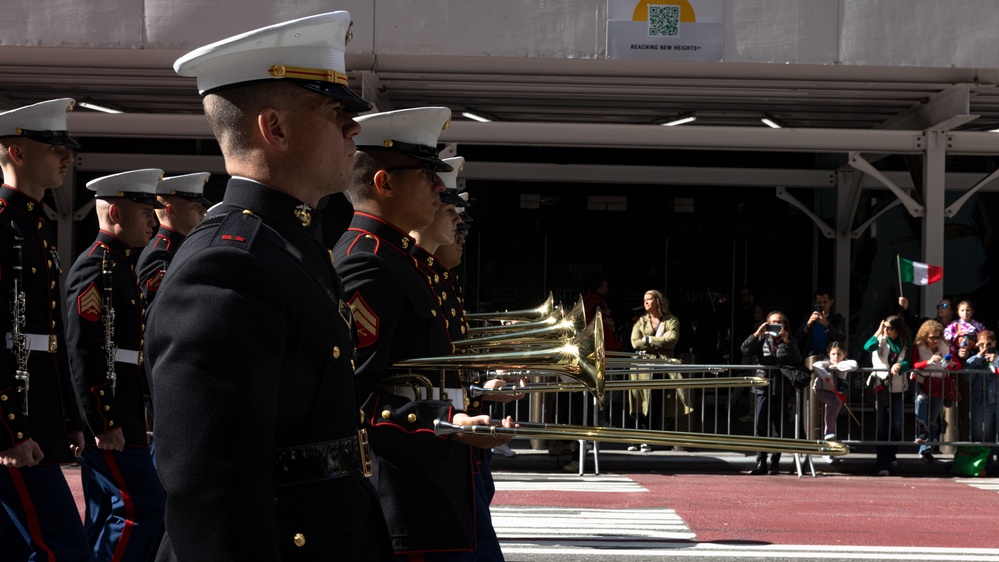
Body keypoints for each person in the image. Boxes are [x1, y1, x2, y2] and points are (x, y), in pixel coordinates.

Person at [145, 12, 394, 560]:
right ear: (274, 129)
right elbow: (213, 490)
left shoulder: (290, 245)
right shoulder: (228, 266)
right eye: (336, 113)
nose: (355, 129)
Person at [333, 107, 511, 560]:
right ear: (384, 183)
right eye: (426, 172)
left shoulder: (402, 259)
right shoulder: (366, 261)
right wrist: (446, 423)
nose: (439, 185)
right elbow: (352, 396)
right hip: (407, 493)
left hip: (436, 479)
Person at [0, 98, 93, 561]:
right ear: (16, 153)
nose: (66, 157)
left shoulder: (33, 227)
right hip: (12, 421)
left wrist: (69, 417)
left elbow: (49, 339)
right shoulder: (3, 226)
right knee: (64, 545)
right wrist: (10, 431)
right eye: (53, 146)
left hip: (33, 415)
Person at [64, 169, 166, 561]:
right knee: (142, 507)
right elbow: (84, 352)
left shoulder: (119, 264)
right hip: (112, 417)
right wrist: (103, 421)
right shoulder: (96, 268)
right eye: (144, 212)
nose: (153, 220)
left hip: (122, 411)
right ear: (117, 214)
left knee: (109, 510)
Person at [741, 311, 803, 475]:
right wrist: (757, 333)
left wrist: (787, 341)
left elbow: (797, 360)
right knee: (760, 423)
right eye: (773, 322)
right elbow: (745, 350)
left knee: (778, 426)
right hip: (763, 385)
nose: (776, 325)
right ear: (767, 324)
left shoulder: (789, 339)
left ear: (785, 325)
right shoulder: (762, 338)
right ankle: (761, 461)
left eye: (780, 322)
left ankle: (775, 462)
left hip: (781, 387)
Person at [135, 172, 211, 303]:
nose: (203, 210)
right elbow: (156, 308)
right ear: (170, 210)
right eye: (194, 205)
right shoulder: (160, 254)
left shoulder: (178, 246)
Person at [629, 290, 682, 452]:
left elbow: (672, 340)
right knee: (638, 402)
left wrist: (648, 339)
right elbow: (634, 343)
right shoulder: (641, 321)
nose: (645, 302)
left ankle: (648, 439)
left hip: (659, 368)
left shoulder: (671, 320)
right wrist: (658, 340)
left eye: (649, 299)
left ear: (658, 301)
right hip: (641, 369)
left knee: (655, 404)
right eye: (644, 299)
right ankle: (635, 438)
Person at [863, 315, 911, 476]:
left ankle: (891, 452)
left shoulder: (904, 342)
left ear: (897, 330)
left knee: (897, 424)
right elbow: (867, 347)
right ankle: (882, 463)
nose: (887, 330)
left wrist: (901, 365)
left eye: (889, 328)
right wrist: (878, 332)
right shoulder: (880, 340)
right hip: (881, 386)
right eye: (885, 327)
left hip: (898, 386)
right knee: (881, 426)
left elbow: (909, 361)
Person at [910, 319, 961, 463]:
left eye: (938, 337)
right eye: (932, 337)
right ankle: (923, 433)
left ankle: (926, 449)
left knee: (933, 419)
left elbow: (957, 365)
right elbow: (914, 364)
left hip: (939, 384)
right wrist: (928, 362)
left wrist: (951, 364)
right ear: (925, 336)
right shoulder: (918, 346)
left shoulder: (945, 346)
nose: (935, 340)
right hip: (922, 382)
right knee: (921, 401)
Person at [810, 341, 858, 462]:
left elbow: (854, 365)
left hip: (836, 394)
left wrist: (836, 367)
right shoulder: (826, 362)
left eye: (839, 354)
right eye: (833, 354)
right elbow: (816, 365)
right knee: (834, 403)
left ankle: (829, 442)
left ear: (844, 354)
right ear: (829, 355)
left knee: (832, 408)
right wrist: (828, 376)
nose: (836, 357)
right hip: (821, 390)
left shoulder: (844, 363)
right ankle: (829, 436)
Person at [964, 330, 999, 475]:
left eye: (989, 344)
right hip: (981, 400)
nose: (985, 348)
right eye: (982, 344)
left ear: (995, 343)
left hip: (996, 399)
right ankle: (985, 466)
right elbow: (967, 376)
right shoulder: (974, 359)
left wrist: (995, 360)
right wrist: (980, 357)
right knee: (981, 435)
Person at [794, 288, 847, 361]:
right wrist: (808, 324)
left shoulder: (837, 319)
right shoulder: (808, 318)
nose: (822, 305)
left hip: (830, 359)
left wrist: (827, 325)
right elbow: (797, 338)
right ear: (815, 304)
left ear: (831, 303)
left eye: (825, 302)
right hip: (810, 358)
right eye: (819, 303)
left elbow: (841, 338)